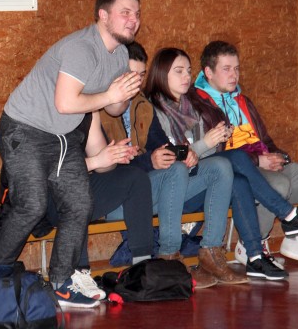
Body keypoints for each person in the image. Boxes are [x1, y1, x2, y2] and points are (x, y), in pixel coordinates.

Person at [0, 0, 143, 308]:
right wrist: (111, 94)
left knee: (79, 204)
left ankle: (62, 282)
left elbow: (113, 108)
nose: (133, 20)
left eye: (136, 14)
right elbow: (65, 103)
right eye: (125, 13)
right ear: (103, 15)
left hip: (60, 136)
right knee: (32, 205)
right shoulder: (82, 48)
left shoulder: (120, 54)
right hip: (23, 129)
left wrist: (124, 93)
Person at [146, 47, 298, 280]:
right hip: (182, 185)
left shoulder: (190, 106)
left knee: (239, 181)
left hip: (207, 175)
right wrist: (207, 143)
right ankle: (290, 216)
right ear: (162, 73)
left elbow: (219, 149)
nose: (187, 76)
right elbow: (172, 157)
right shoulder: (161, 107)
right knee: (237, 161)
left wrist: (276, 156)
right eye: (179, 71)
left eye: (188, 70)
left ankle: (254, 256)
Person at [102, 42, 245, 288]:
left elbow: (164, 148)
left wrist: (183, 153)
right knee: (176, 170)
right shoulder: (97, 109)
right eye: (129, 75)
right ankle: (169, 256)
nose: (136, 82)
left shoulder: (142, 106)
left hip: (151, 190)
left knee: (220, 166)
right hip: (116, 199)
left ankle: (211, 252)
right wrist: (150, 160)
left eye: (141, 75)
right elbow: (102, 169)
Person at [195, 40, 298, 267]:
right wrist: (258, 160)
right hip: (240, 175)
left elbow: (265, 141)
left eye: (237, 68)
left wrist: (280, 157)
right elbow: (216, 156)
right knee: (278, 185)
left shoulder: (243, 101)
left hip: (267, 166)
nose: (234, 75)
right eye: (226, 69)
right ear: (208, 72)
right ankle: (251, 246)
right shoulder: (198, 105)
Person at [42, 111, 154, 300]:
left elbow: (103, 166)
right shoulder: (42, 110)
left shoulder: (88, 108)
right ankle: (79, 273)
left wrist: (112, 156)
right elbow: (47, 171)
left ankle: (141, 267)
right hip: (46, 198)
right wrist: (96, 161)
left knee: (136, 178)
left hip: (81, 183)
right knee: (77, 189)